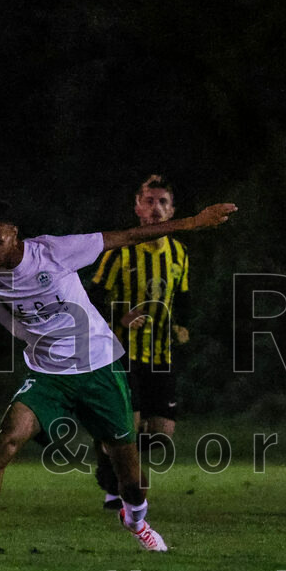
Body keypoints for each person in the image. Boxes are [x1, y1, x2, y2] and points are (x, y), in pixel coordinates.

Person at [0, 198, 237, 555]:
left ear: (14, 233)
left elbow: (129, 236)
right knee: (6, 442)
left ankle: (136, 521)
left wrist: (194, 222)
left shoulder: (54, 252)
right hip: (48, 374)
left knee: (130, 477)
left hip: (99, 367)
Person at [89, 174, 191, 510]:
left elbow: (183, 298)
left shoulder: (179, 253)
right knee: (126, 428)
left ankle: (106, 448)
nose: (156, 208)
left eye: (163, 202)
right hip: (122, 354)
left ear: (172, 210)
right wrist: (120, 317)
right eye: (149, 201)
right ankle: (115, 488)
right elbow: (93, 296)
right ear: (137, 207)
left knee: (161, 433)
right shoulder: (119, 252)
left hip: (161, 355)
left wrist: (181, 325)